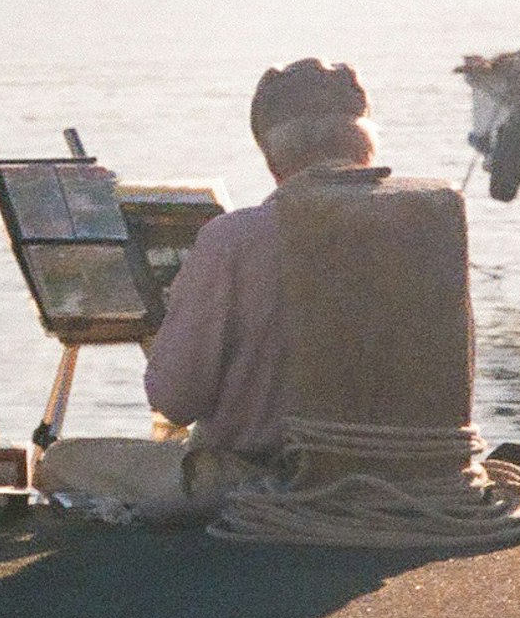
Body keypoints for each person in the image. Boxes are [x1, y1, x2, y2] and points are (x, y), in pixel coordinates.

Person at [143, 57, 382, 460]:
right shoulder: (435, 223)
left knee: (66, 463)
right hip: (415, 482)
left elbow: (175, 400)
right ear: (365, 150)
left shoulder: (233, 240)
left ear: (273, 161)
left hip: (267, 484)